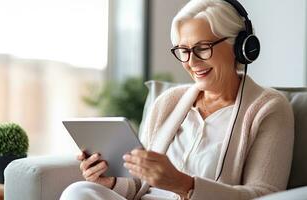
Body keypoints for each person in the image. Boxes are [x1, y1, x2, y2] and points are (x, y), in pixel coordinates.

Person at [60, 0, 294, 199]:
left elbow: (264, 195)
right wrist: (110, 182)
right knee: (80, 190)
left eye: (202, 48)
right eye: (183, 50)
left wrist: (184, 185)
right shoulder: (167, 102)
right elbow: (140, 186)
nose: (191, 61)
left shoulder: (269, 108)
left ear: (240, 46)